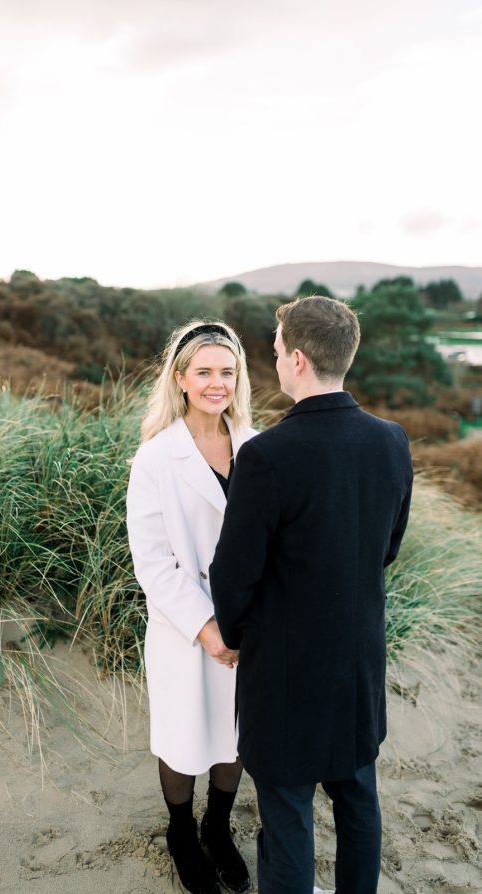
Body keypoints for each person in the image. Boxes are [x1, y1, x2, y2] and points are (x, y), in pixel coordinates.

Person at [210, 296, 413, 894]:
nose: (274, 360)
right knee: (358, 800)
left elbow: (233, 574)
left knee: (287, 815)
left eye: (276, 351)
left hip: (286, 669)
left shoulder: (266, 455)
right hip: (358, 661)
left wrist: (235, 635)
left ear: (297, 359)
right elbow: (387, 547)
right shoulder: (392, 440)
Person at [126, 320, 256, 894]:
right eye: (203, 371)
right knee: (184, 735)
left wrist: (249, 621)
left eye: (227, 371)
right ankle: (181, 831)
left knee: (236, 734)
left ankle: (217, 826)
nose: (216, 383)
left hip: (251, 623)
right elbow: (152, 561)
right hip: (186, 626)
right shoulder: (156, 457)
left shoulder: (258, 445)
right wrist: (207, 628)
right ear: (180, 378)